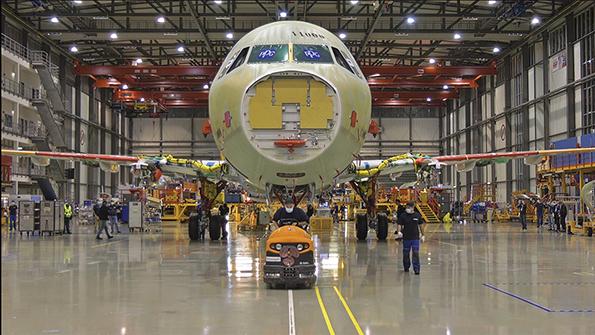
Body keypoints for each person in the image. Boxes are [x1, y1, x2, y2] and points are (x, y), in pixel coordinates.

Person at [397, 202, 425, 275]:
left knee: (415, 253)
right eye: (407, 207)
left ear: (413, 207)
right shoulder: (403, 216)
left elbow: (421, 225)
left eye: (409, 207)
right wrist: (399, 231)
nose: (407, 209)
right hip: (406, 238)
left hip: (415, 238)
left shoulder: (417, 215)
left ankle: (416, 269)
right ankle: (406, 267)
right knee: (406, 253)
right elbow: (399, 224)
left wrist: (423, 235)